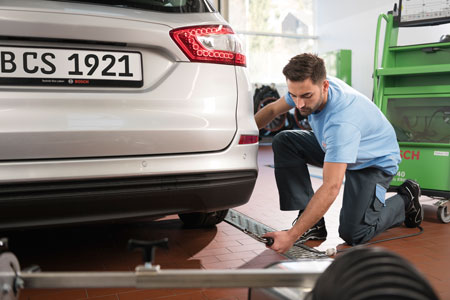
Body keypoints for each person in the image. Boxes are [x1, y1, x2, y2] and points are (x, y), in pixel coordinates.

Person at [256, 53, 423, 254]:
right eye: (293, 95)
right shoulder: (308, 88)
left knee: (355, 234)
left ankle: (406, 199)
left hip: (372, 162)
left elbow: (331, 187)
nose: (298, 105)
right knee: (285, 141)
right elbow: (273, 109)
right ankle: (312, 225)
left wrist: (292, 236)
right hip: (340, 147)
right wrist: (241, 135)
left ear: (325, 86)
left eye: (306, 96)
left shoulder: (341, 123)